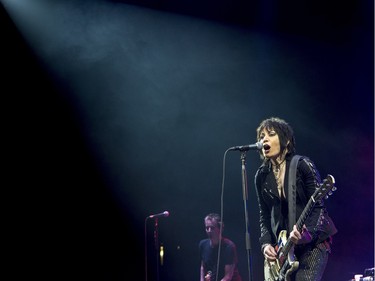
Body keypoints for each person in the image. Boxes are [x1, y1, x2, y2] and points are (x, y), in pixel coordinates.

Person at [253, 117, 337, 281]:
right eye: (261, 136)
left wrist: (308, 234)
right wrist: (266, 244)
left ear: (287, 140)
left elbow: (318, 207)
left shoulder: (302, 165)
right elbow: (264, 215)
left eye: (270, 134)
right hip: (284, 250)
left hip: (313, 243)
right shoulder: (261, 176)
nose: (264, 139)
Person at [199, 213, 242, 281]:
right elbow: (202, 267)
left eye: (212, 228)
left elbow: (228, 276)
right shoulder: (203, 244)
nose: (209, 231)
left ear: (220, 228)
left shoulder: (229, 247)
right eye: (207, 228)